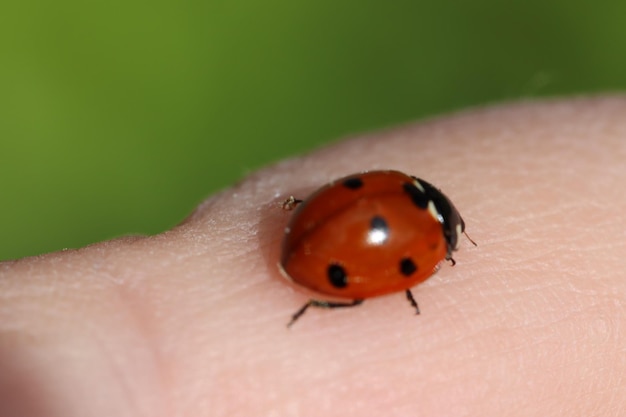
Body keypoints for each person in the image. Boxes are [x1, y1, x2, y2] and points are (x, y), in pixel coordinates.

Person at [1, 97, 625, 416]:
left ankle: (320, 302)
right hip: (311, 252)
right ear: (445, 232)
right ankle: (322, 305)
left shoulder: (404, 190)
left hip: (314, 234)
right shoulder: (428, 243)